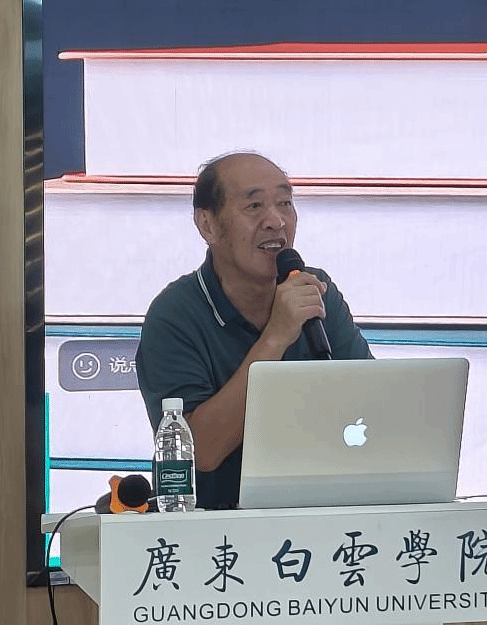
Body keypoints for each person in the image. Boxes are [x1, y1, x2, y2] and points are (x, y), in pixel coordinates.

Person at [135, 152, 372, 508]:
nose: (276, 221)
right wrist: (275, 338)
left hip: (323, 516)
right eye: (254, 206)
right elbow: (200, 452)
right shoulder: (174, 315)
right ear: (207, 225)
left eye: (285, 203)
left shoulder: (317, 291)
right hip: (220, 529)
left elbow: (371, 403)